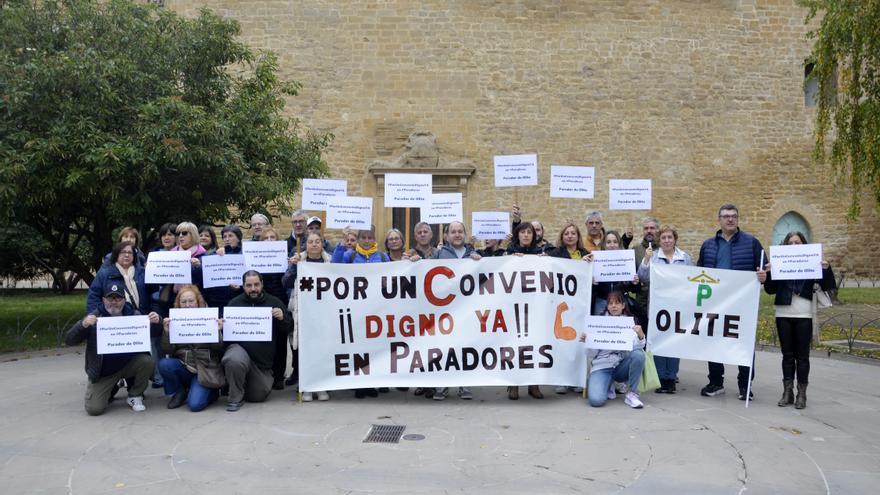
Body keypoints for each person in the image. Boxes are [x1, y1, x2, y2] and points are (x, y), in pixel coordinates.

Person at [697, 203, 766, 400]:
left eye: (734, 216)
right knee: (713, 341)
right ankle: (716, 382)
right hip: (715, 303)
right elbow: (699, 272)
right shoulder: (708, 245)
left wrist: (764, 276)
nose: (730, 219)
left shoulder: (751, 243)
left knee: (743, 343)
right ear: (719, 220)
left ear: (737, 219)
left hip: (742, 304)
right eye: (726, 216)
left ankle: (745, 385)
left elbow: (764, 269)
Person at [763, 232, 836, 409]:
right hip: (783, 313)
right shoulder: (780, 262)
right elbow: (770, 290)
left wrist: (826, 269)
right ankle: (787, 392)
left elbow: (828, 286)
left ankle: (801, 394)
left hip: (804, 314)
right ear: (785, 246)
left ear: (804, 244)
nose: (794, 245)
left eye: (798, 242)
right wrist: (769, 273)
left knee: (802, 357)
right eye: (790, 243)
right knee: (787, 355)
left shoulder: (812, 262)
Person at [66, 281, 161, 415]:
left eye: (118, 298)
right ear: (103, 300)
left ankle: (135, 395)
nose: (114, 302)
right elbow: (70, 340)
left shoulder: (134, 315)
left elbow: (154, 333)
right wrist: (83, 325)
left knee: (147, 361)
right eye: (110, 298)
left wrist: (157, 321)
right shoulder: (95, 317)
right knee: (94, 409)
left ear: (124, 300)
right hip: (104, 372)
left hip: (128, 365)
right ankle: (112, 387)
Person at [222, 270, 291, 411]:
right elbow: (226, 336)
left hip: (261, 365)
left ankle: (239, 383)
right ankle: (235, 397)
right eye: (249, 285)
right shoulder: (234, 304)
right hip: (239, 353)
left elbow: (289, 329)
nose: (253, 289)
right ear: (243, 286)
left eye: (256, 284)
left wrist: (282, 318)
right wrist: (220, 327)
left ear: (262, 284)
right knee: (234, 359)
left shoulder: (274, 302)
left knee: (258, 396)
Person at [331, 226, 387, 398]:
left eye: (370, 237)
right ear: (359, 239)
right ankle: (359, 384)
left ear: (374, 239)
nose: (367, 241)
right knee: (358, 346)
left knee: (374, 346)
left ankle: (373, 382)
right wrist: (341, 244)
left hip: (376, 308)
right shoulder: (350, 256)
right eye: (363, 237)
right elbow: (334, 266)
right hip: (355, 308)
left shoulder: (382, 257)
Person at [637, 224, 692, 393]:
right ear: (659, 241)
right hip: (658, 306)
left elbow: (691, 280)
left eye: (670, 237)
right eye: (663, 238)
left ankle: (671, 377)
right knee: (659, 341)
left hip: (678, 306)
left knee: (674, 341)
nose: (667, 240)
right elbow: (643, 277)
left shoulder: (685, 258)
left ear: (675, 239)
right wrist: (646, 260)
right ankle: (661, 377)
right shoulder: (653, 257)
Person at [429, 221, 481, 401]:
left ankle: (464, 385)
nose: (457, 234)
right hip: (445, 310)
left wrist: (480, 262)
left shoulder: (473, 254)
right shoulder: (438, 254)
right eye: (453, 232)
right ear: (447, 236)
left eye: (460, 231)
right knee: (444, 347)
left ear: (465, 234)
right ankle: (442, 385)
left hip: (467, 310)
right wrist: (413, 262)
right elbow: (422, 272)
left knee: (465, 346)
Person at [282, 232, 332, 401]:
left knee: (322, 351)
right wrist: (294, 267)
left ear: (322, 244)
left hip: (324, 313)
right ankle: (307, 387)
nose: (314, 244)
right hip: (304, 313)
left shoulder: (330, 262)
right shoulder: (298, 261)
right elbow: (286, 282)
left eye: (318, 241)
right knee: (306, 352)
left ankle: (321, 386)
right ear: (306, 245)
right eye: (311, 242)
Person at [158, 285, 224, 411]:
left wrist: (217, 331)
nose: (187, 305)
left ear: (198, 302)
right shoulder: (174, 321)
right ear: (179, 304)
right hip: (184, 365)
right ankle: (180, 392)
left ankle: (211, 392)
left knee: (195, 405)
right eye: (183, 302)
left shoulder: (209, 318)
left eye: (191, 301)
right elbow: (167, 350)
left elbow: (218, 347)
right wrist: (166, 333)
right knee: (164, 364)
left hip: (204, 368)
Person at [547, 222, 592, 394]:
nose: (570, 236)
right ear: (562, 236)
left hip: (580, 305)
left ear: (578, 236)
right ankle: (561, 380)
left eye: (573, 233)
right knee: (561, 343)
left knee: (578, 342)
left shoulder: (586, 254)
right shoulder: (555, 254)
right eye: (567, 233)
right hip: (562, 303)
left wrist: (587, 264)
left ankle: (576, 379)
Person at [583, 290, 646, 409]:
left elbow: (637, 348)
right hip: (602, 366)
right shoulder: (598, 324)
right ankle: (607, 384)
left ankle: (632, 394)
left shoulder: (629, 323)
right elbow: (591, 354)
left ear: (623, 306)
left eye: (617, 303)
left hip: (620, 366)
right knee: (596, 401)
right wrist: (588, 342)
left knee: (639, 355)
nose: (614, 306)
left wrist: (641, 336)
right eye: (611, 303)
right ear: (607, 306)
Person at [505, 221, 544, 399]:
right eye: (523, 232)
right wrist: (510, 260)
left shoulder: (540, 253)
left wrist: (545, 261)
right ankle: (513, 384)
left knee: (534, 343)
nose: (526, 235)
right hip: (514, 305)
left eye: (529, 232)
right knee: (514, 344)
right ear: (518, 235)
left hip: (534, 305)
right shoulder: (509, 253)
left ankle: (533, 384)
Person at [259, 227, 290, 390]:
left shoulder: (284, 257)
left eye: (273, 237)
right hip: (260, 301)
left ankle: (279, 375)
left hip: (280, 300)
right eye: (266, 238)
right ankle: (265, 374)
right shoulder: (254, 258)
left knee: (280, 339)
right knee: (264, 339)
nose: (269, 240)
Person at [593, 230, 641, 317]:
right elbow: (590, 290)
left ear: (619, 244)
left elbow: (636, 289)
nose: (612, 245)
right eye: (608, 242)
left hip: (621, 303)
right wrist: (593, 284)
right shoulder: (596, 261)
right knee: (600, 325)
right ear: (604, 245)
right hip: (602, 302)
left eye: (615, 242)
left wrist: (635, 283)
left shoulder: (627, 260)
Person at [203, 225, 244, 308]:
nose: (227, 239)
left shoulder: (245, 254)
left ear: (238, 238)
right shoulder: (215, 254)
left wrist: (241, 286)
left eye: (230, 236)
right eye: (224, 237)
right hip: (217, 299)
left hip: (238, 298)